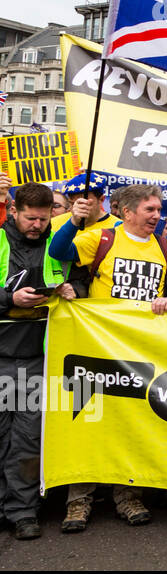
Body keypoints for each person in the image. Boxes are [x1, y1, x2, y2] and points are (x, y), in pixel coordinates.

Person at [50, 183, 167, 532]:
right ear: (128, 212)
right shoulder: (103, 238)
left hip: (140, 352)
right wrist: (73, 219)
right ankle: (78, 502)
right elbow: (57, 250)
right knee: (88, 422)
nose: (157, 216)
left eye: (158, 210)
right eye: (150, 210)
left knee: (132, 423)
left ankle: (128, 496)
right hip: (96, 347)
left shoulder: (164, 246)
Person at [0, 183, 76, 540]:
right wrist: (9, 298)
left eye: (44, 219)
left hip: (37, 357)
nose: (37, 225)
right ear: (13, 211)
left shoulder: (57, 245)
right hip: (1, 352)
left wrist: (72, 289)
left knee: (28, 438)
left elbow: (80, 283)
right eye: (31, 218)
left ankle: (23, 511)